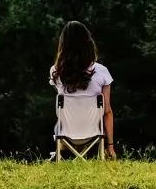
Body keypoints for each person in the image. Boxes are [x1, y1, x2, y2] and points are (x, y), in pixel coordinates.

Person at [48, 20, 116, 158]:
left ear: (63, 45)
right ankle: (94, 152)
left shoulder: (56, 71)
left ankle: (60, 152)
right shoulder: (102, 71)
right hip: (94, 133)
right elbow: (107, 112)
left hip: (65, 133)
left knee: (61, 116)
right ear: (88, 43)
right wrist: (110, 146)